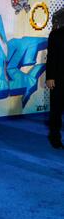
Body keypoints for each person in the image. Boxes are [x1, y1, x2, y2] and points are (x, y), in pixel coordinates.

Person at [46, 10, 64, 149]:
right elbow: (51, 57)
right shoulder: (55, 34)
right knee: (56, 108)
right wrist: (50, 77)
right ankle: (54, 136)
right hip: (57, 78)